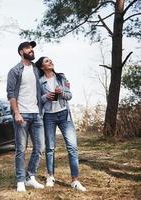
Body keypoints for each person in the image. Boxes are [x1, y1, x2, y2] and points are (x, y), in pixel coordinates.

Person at [35, 56, 86, 192]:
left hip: (64, 115)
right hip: (48, 117)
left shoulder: (61, 77)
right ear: (42, 67)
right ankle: (50, 176)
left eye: (50, 60)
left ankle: (75, 180)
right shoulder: (39, 82)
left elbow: (69, 96)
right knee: (50, 148)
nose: (50, 62)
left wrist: (62, 92)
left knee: (72, 147)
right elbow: (37, 100)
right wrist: (46, 97)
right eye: (46, 61)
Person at [6, 41, 44, 192]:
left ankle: (30, 177)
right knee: (21, 149)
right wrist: (16, 113)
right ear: (21, 51)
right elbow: (11, 94)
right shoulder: (15, 70)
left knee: (39, 148)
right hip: (22, 114)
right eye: (28, 47)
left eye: (32, 48)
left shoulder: (36, 69)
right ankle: (20, 180)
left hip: (36, 114)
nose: (31, 50)